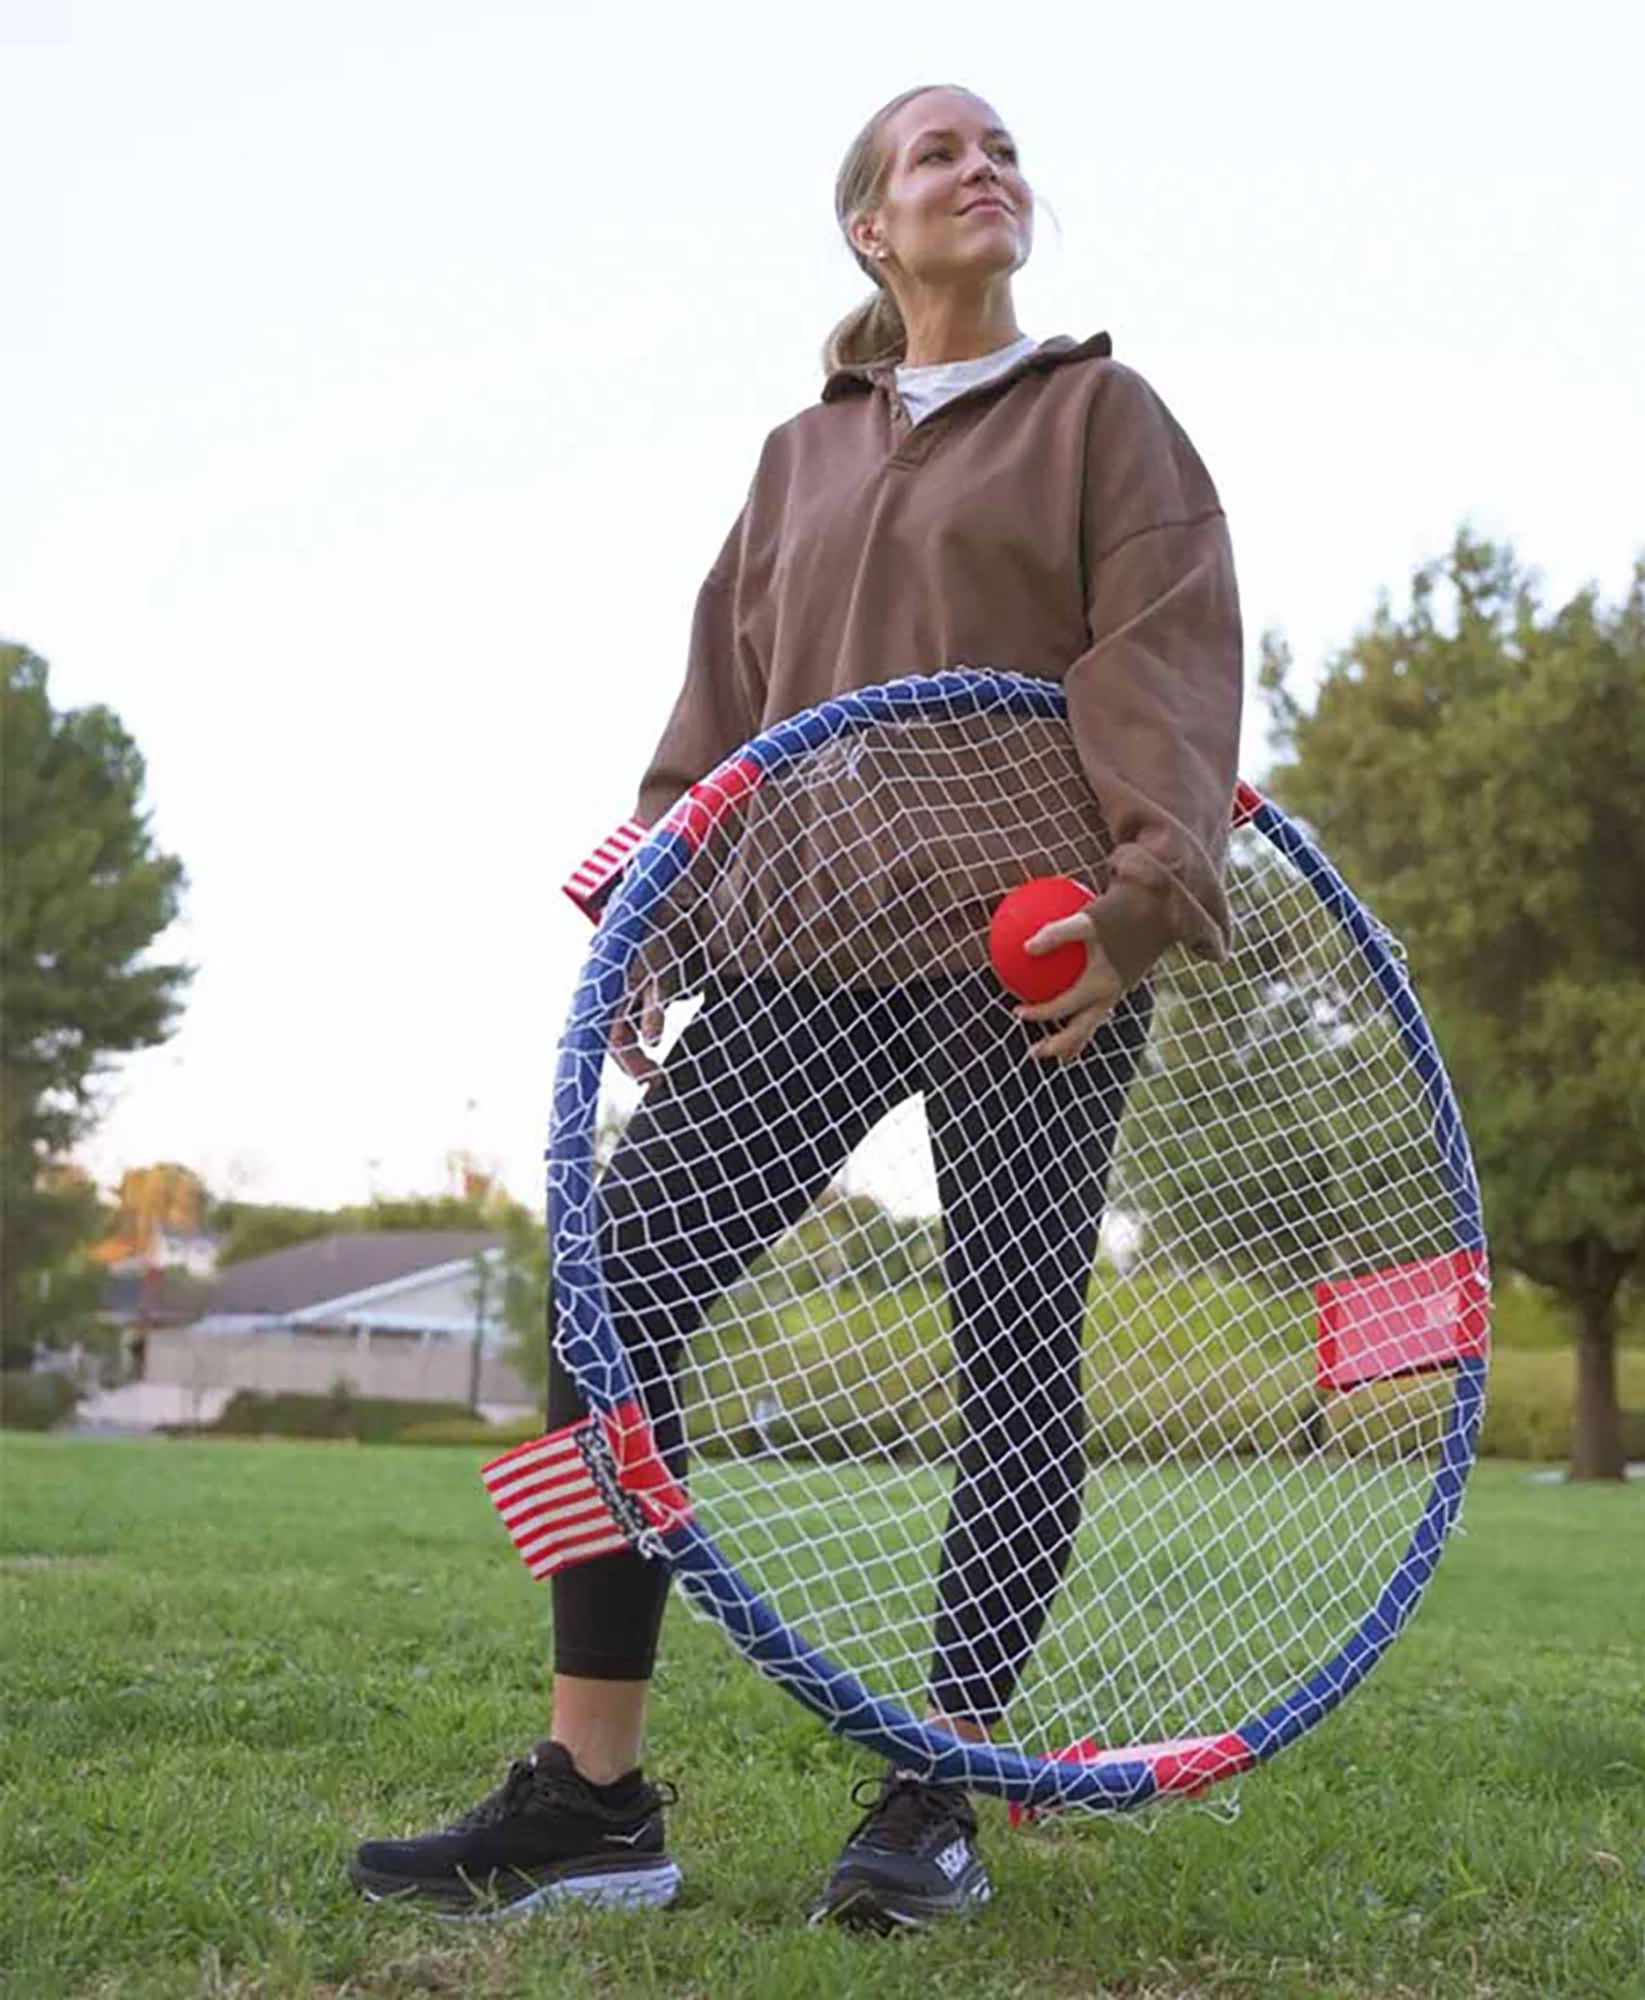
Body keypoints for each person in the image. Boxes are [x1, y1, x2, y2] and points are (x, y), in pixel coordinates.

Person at [348, 81, 1244, 1932]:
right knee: (608, 1307)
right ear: (871, 226)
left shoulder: (1101, 417)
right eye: (940, 152)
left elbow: (1165, 652)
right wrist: (651, 921)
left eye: (1001, 148)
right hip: (800, 948)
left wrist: (1141, 907)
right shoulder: (797, 456)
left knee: (1013, 1355)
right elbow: (722, 707)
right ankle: (594, 1802)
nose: (984, 168)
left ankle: (936, 1792)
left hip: (1030, 956)